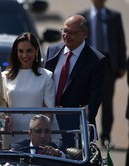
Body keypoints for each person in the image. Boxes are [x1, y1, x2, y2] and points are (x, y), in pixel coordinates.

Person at [45, 15, 107, 148]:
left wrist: (84, 124)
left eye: (72, 33)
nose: (66, 35)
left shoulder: (96, 60)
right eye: (65, 31)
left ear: (84, 34)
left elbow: (95, 98)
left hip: (75, 130)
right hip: (48, 125)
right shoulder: (52, 50)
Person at [79, 0, 127, 148]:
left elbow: (121, 41)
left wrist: (122, 64)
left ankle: (106, 136)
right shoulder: (83, 17)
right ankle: (87, 136)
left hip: (108, 64)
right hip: (89, 63)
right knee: (87, 102)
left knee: (107, 102)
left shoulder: (114, 16)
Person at [1, 32, 59, 148]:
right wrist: (5, 118)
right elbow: (3, 106)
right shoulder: (4, 76)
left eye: (29, 51)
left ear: (36, 51)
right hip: (11, 133)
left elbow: (48, 112)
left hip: (38, 136)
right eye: (20, 51)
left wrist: (39, 133)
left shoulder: (46, 76)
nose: (24, 55)